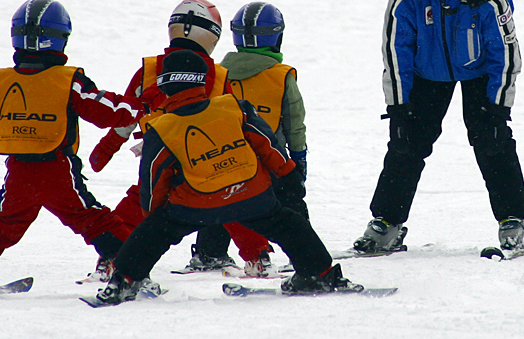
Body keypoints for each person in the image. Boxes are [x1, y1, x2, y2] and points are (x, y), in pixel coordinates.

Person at [93, 50, 360, 305]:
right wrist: (288, 174)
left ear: (163, 86)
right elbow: (267, 144)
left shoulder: (161, 127)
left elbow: (153, 177)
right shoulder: (233, 106)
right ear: (205, 81)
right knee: (289, 225)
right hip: (250, 195)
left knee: (152, 235)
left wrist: (155, 215)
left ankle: (124, 280)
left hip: (193, 205)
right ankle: (320, 273)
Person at [0, 0, 144, 298]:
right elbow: (106, 110)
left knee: (1, 223)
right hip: (57, 170)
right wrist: (139, 107)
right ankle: (133, 270)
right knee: (93, 219)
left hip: (20, 172)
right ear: (61, 39)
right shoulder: (69, 81)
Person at [353, 0, 524, 254]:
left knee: (492, 141)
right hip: (427, 75)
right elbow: (395, 51)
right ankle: (386, 223)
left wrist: (498, 104)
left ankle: (512, 221)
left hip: (478, 73)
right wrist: (398, 104)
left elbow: (505, 51)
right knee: (406, 144)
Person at [86, 0, 273, 281]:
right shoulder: (219, 75)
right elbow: (231, 118)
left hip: (158, 158)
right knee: (233, 201)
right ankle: (258, 257)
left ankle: (113, 256)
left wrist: (107, 148)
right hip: (204, 158)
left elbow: (126, 115)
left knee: (140, 204)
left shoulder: (148, 70)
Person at [222, 2, 309, 219]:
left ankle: (209, 251)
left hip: (226, 161)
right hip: (272, 159)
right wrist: (298, 159)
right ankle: (305, 249)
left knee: (219, 206)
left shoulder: (218, 73)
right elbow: (294, 122)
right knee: (291, 201)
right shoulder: (281, 76)